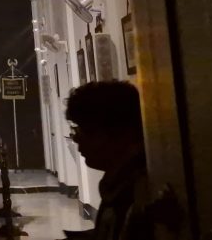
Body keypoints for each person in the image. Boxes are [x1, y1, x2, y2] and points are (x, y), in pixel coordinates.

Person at [64, 81, 151, 240]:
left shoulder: (140, 192)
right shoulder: (117, 182)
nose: (76, 138)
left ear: (119, 131)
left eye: (83, 130)